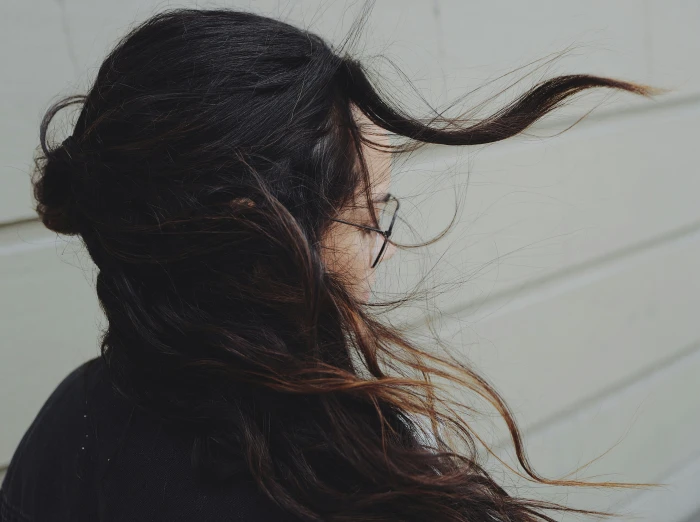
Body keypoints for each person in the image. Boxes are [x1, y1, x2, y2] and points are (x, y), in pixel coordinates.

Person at [0, 8, 656, 522]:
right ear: (258, 237)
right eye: (370, 214)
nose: (388, 244)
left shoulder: (71, 420)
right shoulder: (335, 484)